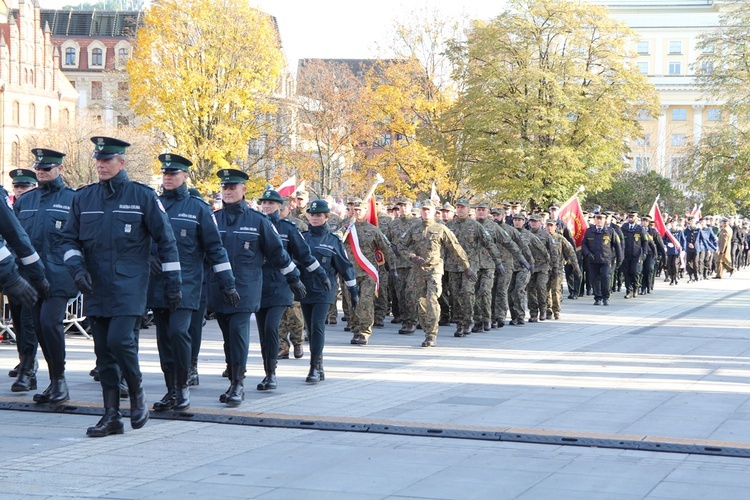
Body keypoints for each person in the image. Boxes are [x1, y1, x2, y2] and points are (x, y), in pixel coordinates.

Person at [62, 136, 182, 437]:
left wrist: (173, 283)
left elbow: (166, 242)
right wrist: (76, 269)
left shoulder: (141, 196)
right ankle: (111, 416)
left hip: (130, 283)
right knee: (102, 353)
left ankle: (137, 391)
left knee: (119, 341)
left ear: (121, 163)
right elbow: (67, 240)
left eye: (107, 160)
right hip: (96, 285)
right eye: (98, 160)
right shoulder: (83, 198)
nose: (101, 165)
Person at [148, 154, 238, 412]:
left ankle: (183, 386)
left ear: (185, 176)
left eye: (173, 173)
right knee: (164, 338)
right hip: (157, 283)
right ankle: (171, 390)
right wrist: (147, 257)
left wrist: (227, 282)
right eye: (165, 173)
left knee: (178, 333)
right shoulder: (152, 204)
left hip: (188, 284)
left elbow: (215, 248)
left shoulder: (198, 208)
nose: (167, 177)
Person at [207, 169, 305, 407]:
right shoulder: (213, 219)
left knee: (239, 332)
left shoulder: (257, 220)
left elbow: (277, 252)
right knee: (228, 336)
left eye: (233, 188)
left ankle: (238, 385)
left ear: (243, 190)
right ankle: (233, 378)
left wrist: (293, 277)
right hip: (219, 287)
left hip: (247, 286)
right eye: (225, 188)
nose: (228, 192)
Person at [13, 149, 77, 404]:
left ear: (59, 169)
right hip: (31, 275)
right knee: (38, 328)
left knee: (50, 324)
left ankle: (60, 381)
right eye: (38, 168)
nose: (41, 172)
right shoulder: (25, 201)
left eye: (47, 168)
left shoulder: (73, 199)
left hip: (60, 275)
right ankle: (53, 381)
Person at [255, 188, 329, 391]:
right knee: (263, 332)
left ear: (280, 207)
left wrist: (321, 274)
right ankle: (268, 372)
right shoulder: (254, 224)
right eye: (265, 203)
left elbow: (305, 255)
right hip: (258, 285)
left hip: (281, 285)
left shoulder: (288, 228)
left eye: (271, 203)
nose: (267, 206)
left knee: (271, 327)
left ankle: (271, 375)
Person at [397, 200, 476, 347]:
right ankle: (427, 329)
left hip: (434, 269)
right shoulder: (414, 228)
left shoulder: (441, 228)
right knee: (421, 302)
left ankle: (431, 335)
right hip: (418, 270)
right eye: (423, 210)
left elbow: (455, 248)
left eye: (428, 210)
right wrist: (411, 256)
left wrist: (466, 267)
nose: (426, 212)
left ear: (434, 212)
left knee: (432, 299)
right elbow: (401, 245)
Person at [298, 199, 358, 382]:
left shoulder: (333, 240)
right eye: (312, 215)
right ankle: (320, 364)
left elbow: (345, 267)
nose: (315, 218)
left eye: (319, 215)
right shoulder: (302, 238)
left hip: (325, 290)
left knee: (317, 326)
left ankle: (314, 368)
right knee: (310, 328)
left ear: (326, 217)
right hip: (305, 289)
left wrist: (353, 289)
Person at [4, 168, 49, 392]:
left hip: (38, 273)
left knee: (32, 324)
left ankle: (28, 370)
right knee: (20, 324)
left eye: (25, 186)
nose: (20, 191)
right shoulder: (13, 206)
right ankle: (25, 361)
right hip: (15, 272)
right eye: (17, 187)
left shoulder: (47, 204)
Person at [346, 200, 397, 344]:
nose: (357, 212)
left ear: (366, 211)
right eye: (355, 209)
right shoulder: (346, 228)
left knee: (365, 302)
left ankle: (364, 331)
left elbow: (387, 249)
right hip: (350, 272)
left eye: (360, 209)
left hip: (368, 272)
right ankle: (355, 329)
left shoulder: (373, 230)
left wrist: (392, 268)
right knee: (352, 302)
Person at [581, 213, 622, 306]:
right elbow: (584, 244)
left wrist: (619, 259)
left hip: (606, 260)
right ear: (595, 220)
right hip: (593, 259)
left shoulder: (610, 231)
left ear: (605, 220)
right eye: (597, 219)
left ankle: (605, 297)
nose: (599, 221)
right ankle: (597, 297)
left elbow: (617, 246)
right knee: (595, 279)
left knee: (605, 277)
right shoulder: (589, 231)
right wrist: (587, 254)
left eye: (601, 219)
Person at [620, 211, 648, 299]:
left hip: (636, 255)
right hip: (626, 254)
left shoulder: (639, 228)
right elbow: (620, 240)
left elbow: (645, 241)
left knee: (635, 272)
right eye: (629, 217)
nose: (631, 218)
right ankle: (629, 290)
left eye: (633, 217)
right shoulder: (624, 227)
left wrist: (644, 253)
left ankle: (636, 287)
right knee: (626, 273)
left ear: (636, 218)